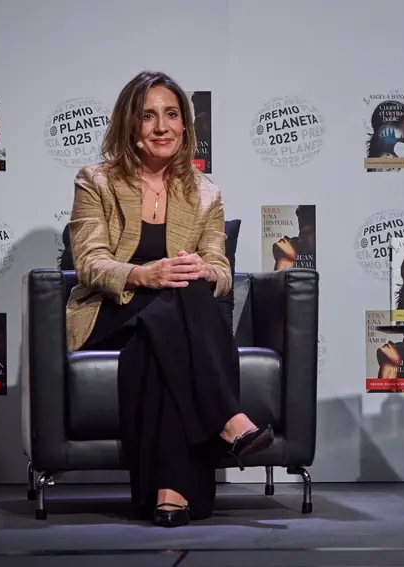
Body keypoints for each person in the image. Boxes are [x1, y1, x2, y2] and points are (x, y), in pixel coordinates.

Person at [65, 70, 273, 528]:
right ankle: (230, 420)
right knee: (177, 294)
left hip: (166, 325)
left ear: (185, 126)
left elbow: (220, 269)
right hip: (111, 313)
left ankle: (167, 494)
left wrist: (203, 269)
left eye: (172, 115)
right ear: (130, 127)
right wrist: (145, 273)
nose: (162, 127)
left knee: (175, 312)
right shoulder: (94, 181)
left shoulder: (205, 194)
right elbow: (90, 262)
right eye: (148, 116)